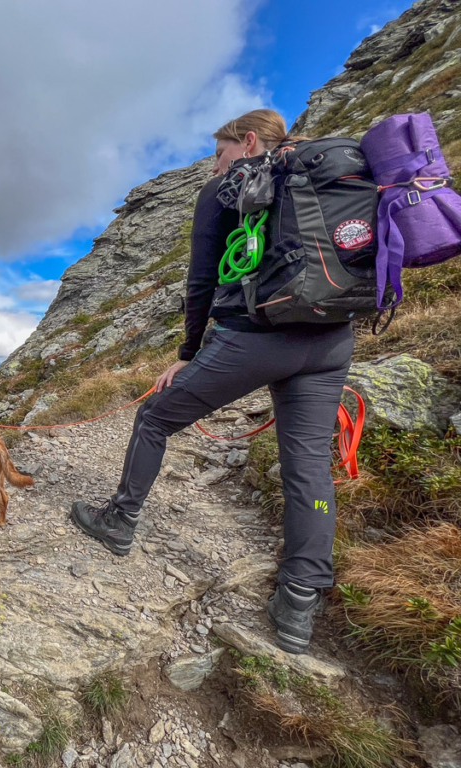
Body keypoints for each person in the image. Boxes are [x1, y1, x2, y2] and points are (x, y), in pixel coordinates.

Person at [70, 109, 354, 655]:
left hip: (253, 337)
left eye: (218, 153)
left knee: (154, 417)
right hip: (331, 341)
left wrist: (187, 354)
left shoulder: (229, 187)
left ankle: (118, 521)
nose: (213, 164)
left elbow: (201, 280)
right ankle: (299, 601)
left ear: (246, 142)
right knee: (309, 466)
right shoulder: (326, 176)